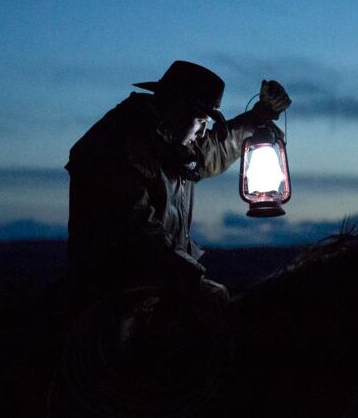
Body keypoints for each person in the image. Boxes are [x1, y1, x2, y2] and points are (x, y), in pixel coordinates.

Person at [64, 60, 291, 312]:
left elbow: (217, 147)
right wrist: (190, 273)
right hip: (114, 291)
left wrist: (259, 116)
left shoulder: (172, 143)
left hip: (159, 281)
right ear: (175, 108)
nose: (204, 132)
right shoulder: (118, 145)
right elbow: (137, 231)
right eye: (202, 120)